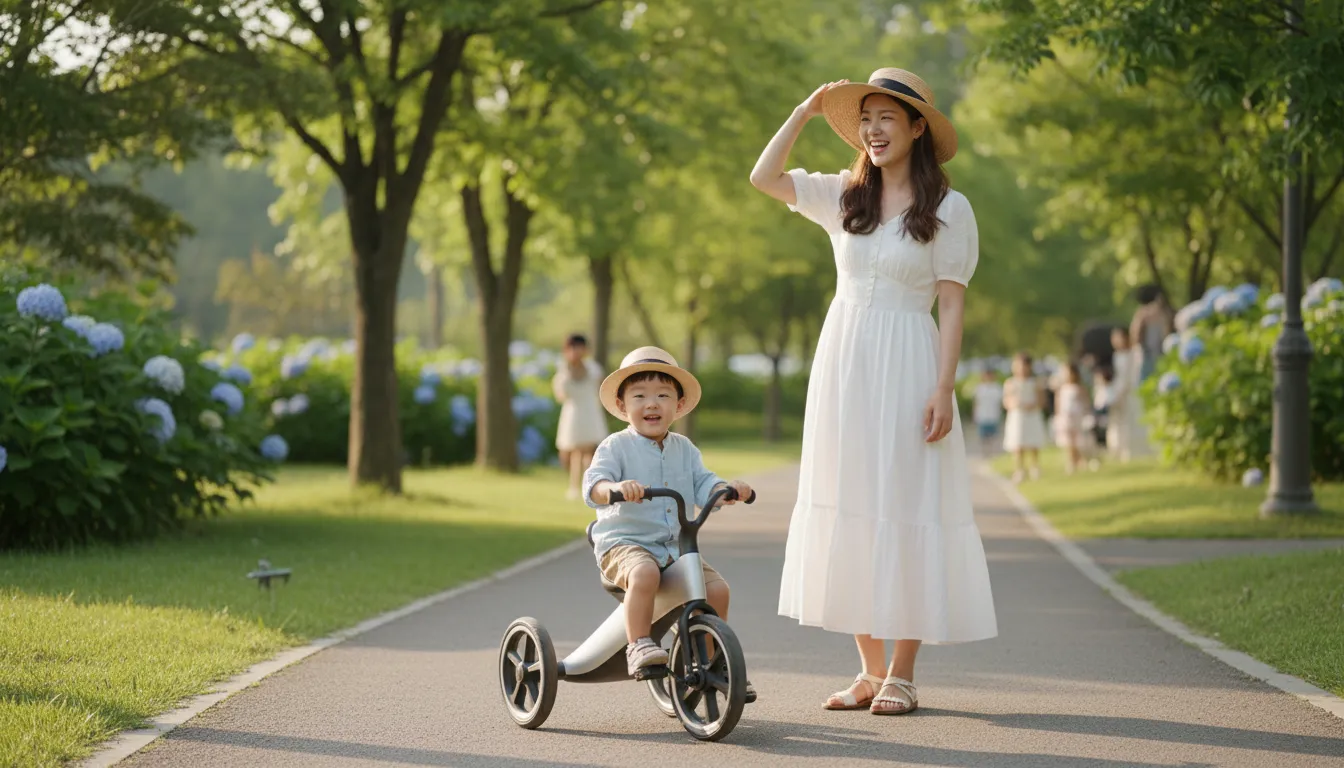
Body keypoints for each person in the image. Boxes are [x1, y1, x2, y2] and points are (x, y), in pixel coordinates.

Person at [750, 68, 997, 716]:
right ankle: (868, 668)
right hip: (845, 364)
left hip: (911, 362)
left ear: (917, 127)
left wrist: (944, 387)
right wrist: (804, 111)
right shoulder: (843, 197)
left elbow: (951, 305)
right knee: (849, 499)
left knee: (907, 504)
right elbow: (763, 178)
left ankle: (904, 672)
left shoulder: (949, 209)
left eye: (887, 117)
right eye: (865, 118)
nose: (874, 129)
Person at [583, 346, 756, 698]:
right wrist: (615, 488)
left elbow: (704, 482)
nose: (652, 404)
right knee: (644, 573)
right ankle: (639, 644)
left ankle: (710, 661)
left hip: (673, 548)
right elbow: (594, 485)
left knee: (718, 589)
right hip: (624, 544)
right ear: (622, 406)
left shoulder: (685, 448)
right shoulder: (615, 447)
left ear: (678, 406)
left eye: (663, 396)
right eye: (640, 396)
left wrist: (727, 489)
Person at [552, 334, 609, 500]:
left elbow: (601, 388)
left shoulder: (593, 368)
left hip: (590, 410)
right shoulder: (563, 370)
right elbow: (561, 395)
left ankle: (588, 485)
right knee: (573, 451)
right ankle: (574, 486)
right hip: (573, 412)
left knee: (589, 450)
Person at [1002, 352, 1047, 483]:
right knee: (1017, 444)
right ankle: (1019, 469)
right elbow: (1006, 401)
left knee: (1033, 442)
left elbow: (1041, 400)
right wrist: (1015, 404)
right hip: (1017, 416)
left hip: (1032, 415)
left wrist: (1033, 405)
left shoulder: (1035, 382)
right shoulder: (1010, 382)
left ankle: (1035, 467)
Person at [1106, 328, 1148, 461]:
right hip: (1120, 390)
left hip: (1130, 391)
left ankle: (1134, 449)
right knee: (1119, 422)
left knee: (1133, 420)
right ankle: (1120, 448)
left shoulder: (1134, 353)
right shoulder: (1117, 355)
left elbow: (1131, 375)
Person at [1130, 285, 1174, 381]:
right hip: (1148, 360)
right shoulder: (1141, 315)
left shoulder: (1165, 315)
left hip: (1161, 359)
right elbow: (1135, 339)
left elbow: (1167, 338)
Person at [1052, 363, 1089, 474]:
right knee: (1068, 441)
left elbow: (1085, 402)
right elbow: (1058, 404)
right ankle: (1071, 461)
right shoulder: (1062, 389)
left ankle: (1079, 459)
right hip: (1065, 418)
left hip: (1077, 417)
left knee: (1077, 440)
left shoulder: (1079, 388)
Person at [972, 369, 1003, 456]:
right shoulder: (979, 388)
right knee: (983, 436)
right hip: (982, 415)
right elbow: (976, 402)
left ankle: (992, 452)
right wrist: (974, 415)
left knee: (993, 435)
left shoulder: (997, 388)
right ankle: (985, 452)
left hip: (994, 415)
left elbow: (1000, 402)